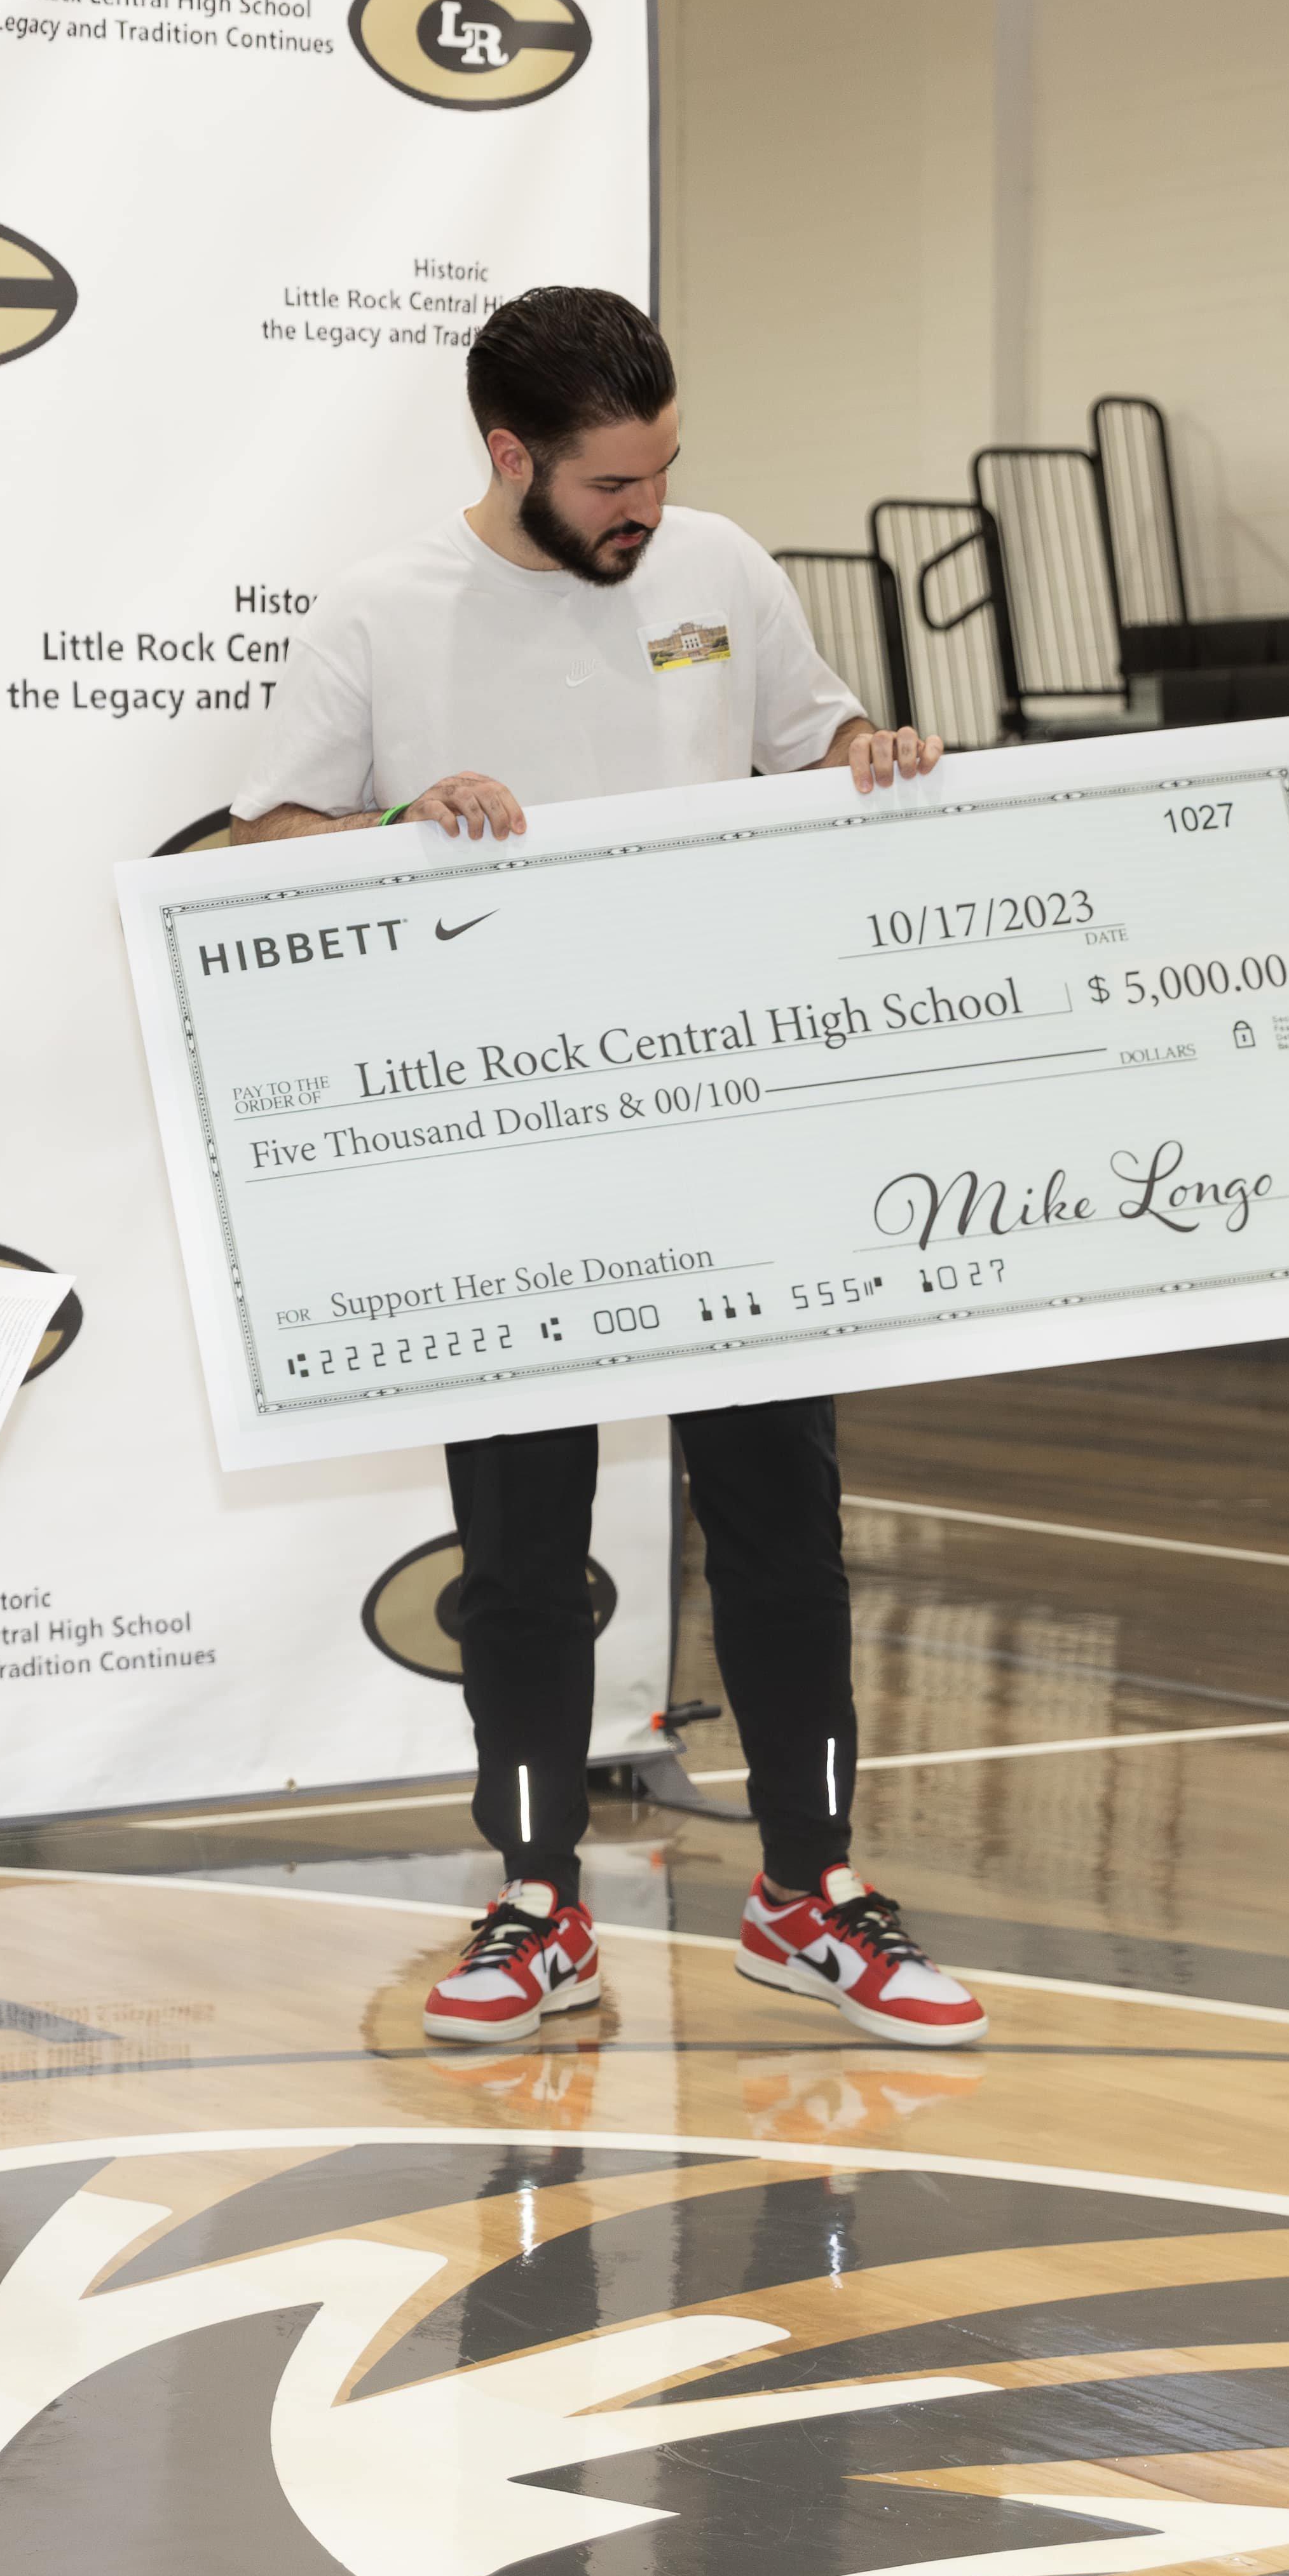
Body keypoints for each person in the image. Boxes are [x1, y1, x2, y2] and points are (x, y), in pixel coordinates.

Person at [229, 285, 990, 2053]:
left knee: (784, 1539)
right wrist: (389, 828)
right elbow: (259, 845)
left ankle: (808, 1887)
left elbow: (812, 740)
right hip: (501, 1165)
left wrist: (869, 749)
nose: (641, 509)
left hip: (725, 1141)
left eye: (659, 469)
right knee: (515, 1556)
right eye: (607, 483)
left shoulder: (719, 566)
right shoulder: (375, 613)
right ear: (507, 456)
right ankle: (531, 1897)